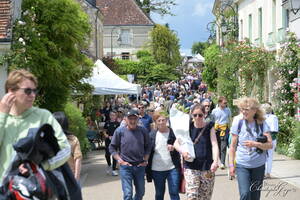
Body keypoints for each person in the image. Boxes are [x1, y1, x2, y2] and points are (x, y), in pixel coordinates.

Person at [0, 69, 70, 183]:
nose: (32, 95)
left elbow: (65, 148)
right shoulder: (2, 118)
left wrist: (40, 166)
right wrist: (2, 115)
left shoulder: (43, 116)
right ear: (11, 91)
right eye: (27, 91)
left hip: (35, 190)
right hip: (5, 191)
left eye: (34, 91)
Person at [229, 97, 272, 200]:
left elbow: (270, 145)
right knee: (245, 194)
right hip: (242, 165)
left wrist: (256, 144)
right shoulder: (238, 123)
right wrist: (231, 165)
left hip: (259, 165)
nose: (243, 111)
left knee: (255, 196)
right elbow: (232, 146)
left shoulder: (262, 123)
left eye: (246, 109)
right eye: (242, 109)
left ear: (255, 110)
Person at [174, 104, 219, 200]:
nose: (197, 117)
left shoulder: (209, 126)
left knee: (205, 197)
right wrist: (183, 152)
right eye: (195, 115)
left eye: (200, 115)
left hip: (207, 167)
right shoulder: (187, 127)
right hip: (191, 166)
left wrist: (215, 161)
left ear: (204, 114)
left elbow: (214, 145)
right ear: (191, 115)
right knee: (192, 196)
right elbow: (176, 144)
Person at [109, 109, 151, 200]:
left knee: (140, 192)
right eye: (130, 119)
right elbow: (112, 147)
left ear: (138, 119)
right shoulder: (120, 131)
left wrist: (145, 160)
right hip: (126, 167)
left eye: (134, 119)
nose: (132, 121)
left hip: (140, 166)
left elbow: (148, 146)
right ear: (126, 119)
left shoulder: (143, 131)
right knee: (128, 194)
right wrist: (120, 161)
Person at [146, 111, 181, 200]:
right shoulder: (152, 135)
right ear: (155, 122)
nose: (161, 122)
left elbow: (182, 145)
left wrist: (174, 147)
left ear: (166, 120)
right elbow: (146, 150)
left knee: (174, 192)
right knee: (159, 194)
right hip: (157, 169)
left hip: (172, 168)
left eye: (163, 120)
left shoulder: (174, 133)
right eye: (159, 120)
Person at [53, 111, 82, 182]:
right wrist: (76, 179)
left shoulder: (48, 140)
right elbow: (78, 159)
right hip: (70, 177)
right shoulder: (73, 139)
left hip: (54, 179)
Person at [211, 96, 231, 169]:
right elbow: (212, 120)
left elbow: (229, 119)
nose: (225, 104)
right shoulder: (214, 111)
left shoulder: (228, 110)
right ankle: (218, 161)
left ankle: (222, 162)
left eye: (226, 103)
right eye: (224, 103)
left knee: (223, 145)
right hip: (216, 129)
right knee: (217, 145)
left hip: (224, 129)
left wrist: (230, 128)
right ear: (219, 103)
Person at [261, 103, 278, 179]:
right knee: (270, 156)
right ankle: (268, 173)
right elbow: (275, 130)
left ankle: (263, 173)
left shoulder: (262, 117)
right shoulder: (274, 117)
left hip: (264, 138)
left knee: (263, 156)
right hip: (272, 138)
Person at [103, 110, 120, 176]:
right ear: (109, 116)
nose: (112, 116)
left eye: (114, 115)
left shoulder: (117, 123)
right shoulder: (107, 123)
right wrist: (106, 135)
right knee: (107, 154)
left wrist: (115, 137)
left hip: (115, 141)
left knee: (114, 154)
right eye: (111, 115)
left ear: (115, 116)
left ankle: (114, 170)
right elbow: (104, 131)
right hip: (108, 140)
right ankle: (109, 164)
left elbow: (119, 132)